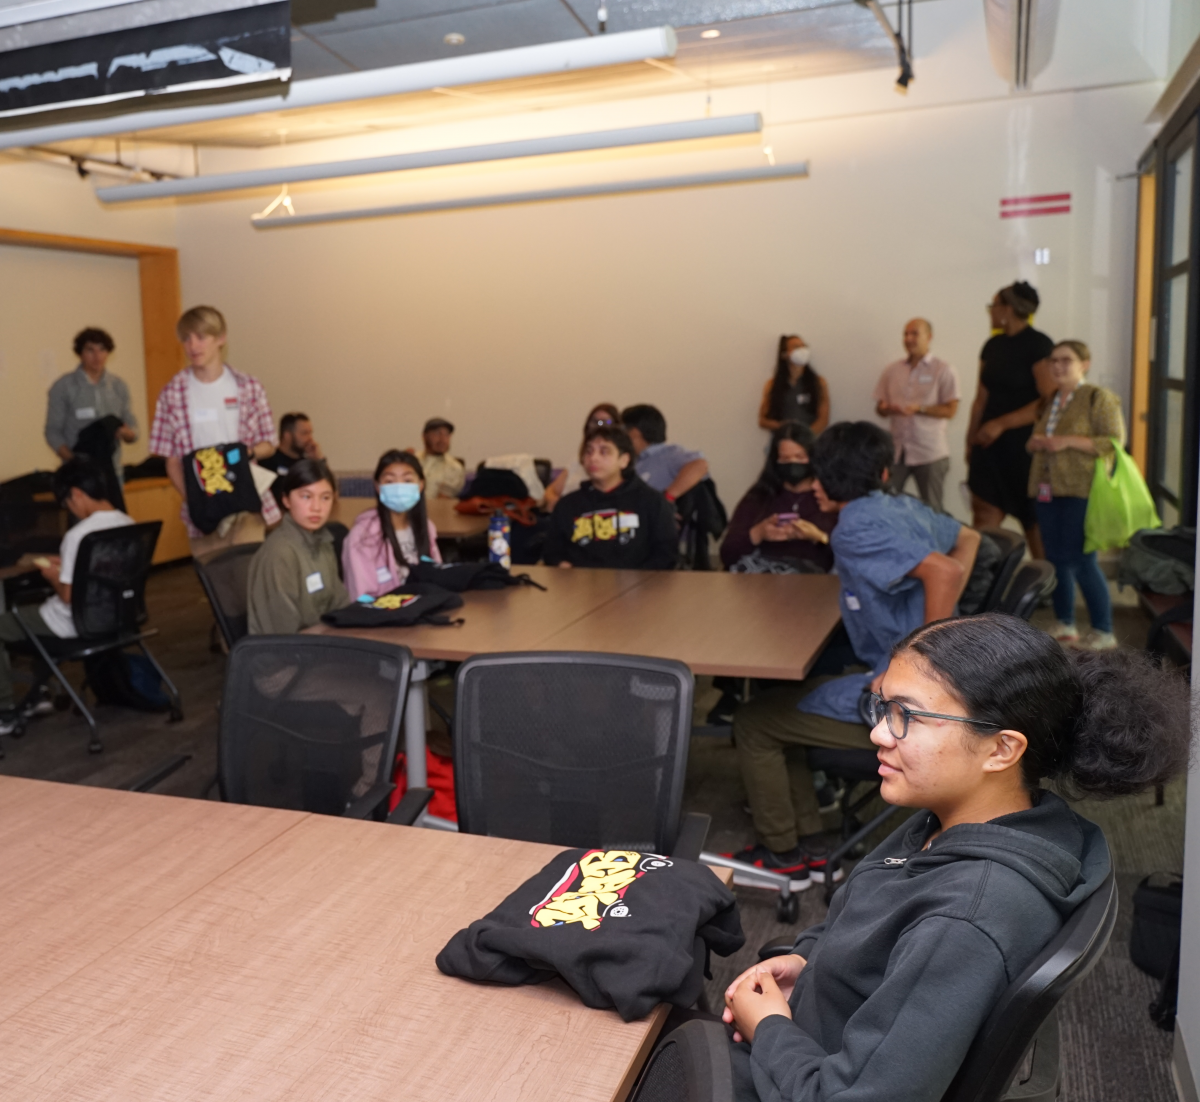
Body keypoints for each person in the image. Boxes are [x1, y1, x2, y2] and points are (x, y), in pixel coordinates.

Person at [721, 613, 1190, 1102]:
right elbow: (873, 912)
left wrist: (770, 1028)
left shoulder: (965, 918)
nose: (879, 734)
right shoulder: (969, 817)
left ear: (1002, 749)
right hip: (811, 1040)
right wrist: (808, 959)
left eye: (907, 716)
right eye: (882, 708)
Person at [730, 422, 980, 883]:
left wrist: (922, 663)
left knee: (755, 721)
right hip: (938, 688)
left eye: (818, 474)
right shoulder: (902, 504)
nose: (814, 486)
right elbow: (969, 539)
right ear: (883, 470)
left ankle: (784, 855)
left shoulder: (855, 526)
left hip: (912, 705)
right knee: (790, 702)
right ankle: (810, 844)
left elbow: (942, 573)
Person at [0, 457, 134, 734]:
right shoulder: (127, 522)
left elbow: (69, 597)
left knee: (15, 620)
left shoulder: (78, 535)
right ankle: (38, 695)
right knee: (34, 616)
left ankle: (5, 710)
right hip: (117, 616)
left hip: (74, 621)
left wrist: (52, 576)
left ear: (76, 493)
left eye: (67, 503)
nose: (70, 509)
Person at [148, 306, 279, 558]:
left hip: (245, 502)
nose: (193, 345)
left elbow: (269, 444)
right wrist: (196, 499)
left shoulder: (248, 387)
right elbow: (172, 461)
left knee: (247, 578)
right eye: (186, 338)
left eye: (201, 337)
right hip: (203, 513)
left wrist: (243, 454)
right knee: (216, 584)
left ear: (221, 338)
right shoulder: (172, 393)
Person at [1027, 340, 1125, 651]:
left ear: (1085, 363)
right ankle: (1066, 623)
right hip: (1046, 490)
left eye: (1066, 360)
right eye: (1054, 360)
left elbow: (1113, 441)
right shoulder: (1052, 399)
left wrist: (1064, 441)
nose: (1058, 366)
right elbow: (1038, 440)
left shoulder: (1098, 397)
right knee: (1056, 559)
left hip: (1080, 489)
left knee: (1082, 560)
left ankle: (1103, 629)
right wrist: (1036, 443)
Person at [967, 282, 1054, 557]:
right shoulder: (992, 345)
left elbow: (1049, 399)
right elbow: (980, 398)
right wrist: (971, 439)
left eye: (994, 305)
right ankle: (981, 586)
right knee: (983, 516)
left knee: (1033, 521)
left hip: (1024, 448)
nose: (990, 311)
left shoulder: (1038, 344)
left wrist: (1002, 423)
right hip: (989, 448)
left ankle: (1046, 588)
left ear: (1008, 310)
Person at [543, 424, 677, 570]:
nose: (593, 458)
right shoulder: (567, 505)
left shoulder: (652, 502)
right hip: (580, 587)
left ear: (624, 460)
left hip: (637, 587)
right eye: (589, 452)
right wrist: (563, 566)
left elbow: (666, 555)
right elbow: (552, 552)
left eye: (604, 452)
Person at [720, 421, 836, 574]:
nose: (793, 463)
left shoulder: (830, 498)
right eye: (785, 459)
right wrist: (758, 533)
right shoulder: (760, 495)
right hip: (759, 580)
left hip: (811, 582)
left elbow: (850, 556)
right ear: (775, 461)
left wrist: (818, 537)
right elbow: (727, 554)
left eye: (800, 457)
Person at [247, 459, 348, 634]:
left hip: (321, 642)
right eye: (306, 497)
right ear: (286, 500)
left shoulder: (323, 542)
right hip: (287, 655)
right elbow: (285, 633)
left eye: (325, 498)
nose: (317, 507)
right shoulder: (280, 553)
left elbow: (341, 605)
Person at [873, 318, 960, 510]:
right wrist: (887, 408)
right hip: (897, 451)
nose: (909, 338)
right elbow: (880, 408)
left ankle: (936, 540)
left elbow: (951, 410)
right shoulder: (892, 370)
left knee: (933, 510)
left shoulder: (943, 369)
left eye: (914, 333)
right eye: (905, 334)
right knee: (886, 503)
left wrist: (920, 409)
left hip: (930, 452)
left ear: (929, 337)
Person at [342, 450, 443, 601]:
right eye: (389, 481)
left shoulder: (427, 528)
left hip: (423, 611)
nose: (398, 488)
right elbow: (361, 598)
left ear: (421, 485)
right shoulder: (362, 536)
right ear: (377, 486)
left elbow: (439, 577)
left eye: (407, 481)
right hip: (384, 618)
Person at [45, 327, 139, 476]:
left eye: (102, 350)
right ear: (80, 353)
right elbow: (52, 432)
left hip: (112, 472)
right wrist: (73, 460)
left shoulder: (118, 386)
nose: (97, 356)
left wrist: (128, 433)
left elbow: (133, 428)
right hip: (77, 472)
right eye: (90, 350)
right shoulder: (63, 387)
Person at [620, 404, 709, 504]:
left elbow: (699, 465)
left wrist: (667, 498)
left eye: (623, 428)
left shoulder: (668, 454)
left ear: (636, 431)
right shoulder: (632, 461)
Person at [543, 403, 620, 510]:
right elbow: (552, 490)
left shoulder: (616, 464)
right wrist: (556, 504)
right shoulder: (577, 459)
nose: (599, 426)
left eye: (606, 422)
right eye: (595, 421)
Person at [759, 336, 830, 434]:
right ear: (784, 355)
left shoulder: (819, 383)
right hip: (781, 443)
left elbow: (823, 420)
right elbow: (762, 420)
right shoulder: (772, 385)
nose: (802, 350)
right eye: (796, 347)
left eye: (804, 346)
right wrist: (781, 426)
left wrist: (804, 438)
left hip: (809, 444)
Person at [259, 412, 324, 478]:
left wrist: (319, 460)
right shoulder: (267, 461)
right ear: (287, 435)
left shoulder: (306, 464)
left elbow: (326, 484)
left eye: (310, 433)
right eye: (304, 433)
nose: (310, 438)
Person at [414, 418, 466, 499]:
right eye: (437, 433)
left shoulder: (454, 467)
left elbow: (442, 502)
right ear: (424, 436)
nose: (443, 439)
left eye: (447, 434)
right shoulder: (412, 460)